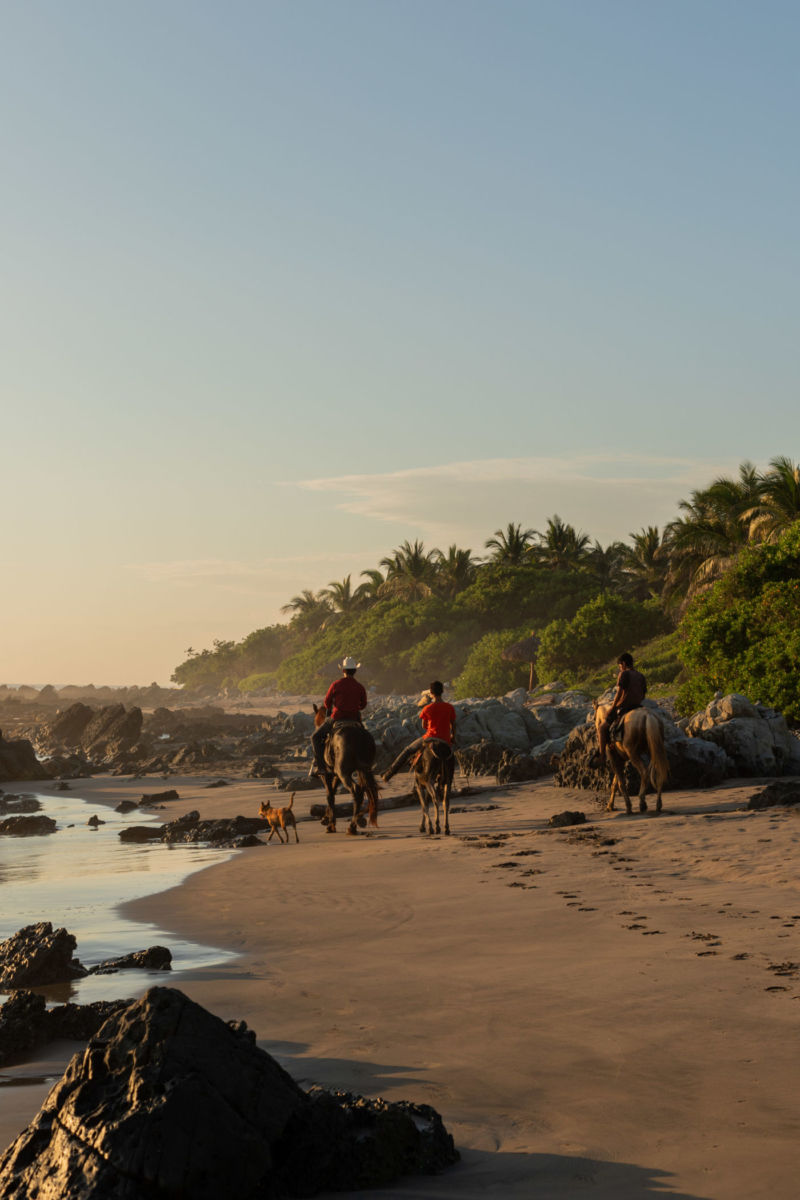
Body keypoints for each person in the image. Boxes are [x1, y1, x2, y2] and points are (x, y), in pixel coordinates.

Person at [382, 681, 457, 782]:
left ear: (431, 693)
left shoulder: (427, 708)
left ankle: (388, 774)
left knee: (407, 750)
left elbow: (424, 725)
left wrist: (432, 729)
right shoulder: (449, 707)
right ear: (442, 691)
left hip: (430, 737)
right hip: (445, 739)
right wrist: (452, 736)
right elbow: (453, 724)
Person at [311, 656, 367, 775]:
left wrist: (333, 707)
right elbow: (363, 705)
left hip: (338, 717)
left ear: (343, 671)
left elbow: (327, 703)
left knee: (315, 737)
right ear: (355, 671)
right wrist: (355, 707)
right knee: (365, 738)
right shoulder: (360, 687)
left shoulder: (336, 684)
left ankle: (321, 767)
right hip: (354, 719)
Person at [596, 652, 647, 764]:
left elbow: (619, 693)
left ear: (623, 664)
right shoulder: (640, 676)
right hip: (638, 706)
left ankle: (602, 756)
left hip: (625, 708)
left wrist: (613, 707)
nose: (620, 669)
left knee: (601, 728)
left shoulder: (624, 674)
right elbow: (643, 695)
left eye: (620, 666)